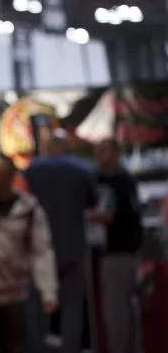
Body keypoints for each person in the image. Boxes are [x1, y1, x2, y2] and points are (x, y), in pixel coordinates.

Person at [24, 131, 98, 353]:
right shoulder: (83, 169)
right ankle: (71, 348)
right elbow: (92, 203)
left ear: (48, 147)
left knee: (38, 304)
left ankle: (38, 347)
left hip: (40, 248)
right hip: (73, 246)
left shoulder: (32, 170)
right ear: (67, 147)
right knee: (72, 304)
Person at [0, 155, 58, 353]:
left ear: (10, 177)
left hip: (15, 295)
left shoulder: (28, 208)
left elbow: (41, 251)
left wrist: (48, 292)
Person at [91, 139, 143, 353]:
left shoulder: (120, 182)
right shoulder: (107, 179)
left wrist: (86, 216)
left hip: (120, 252)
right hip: (121, 251)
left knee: (117, 310)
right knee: (124, 308)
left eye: (103, 151)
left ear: (115, 153)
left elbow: (111, 215)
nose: (98, 156)